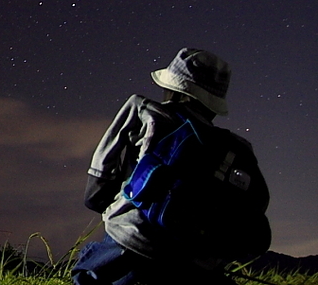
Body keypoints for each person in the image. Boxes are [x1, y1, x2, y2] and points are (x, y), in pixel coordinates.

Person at [72, 48, 271, 285]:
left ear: (174, 90)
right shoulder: (238, 149)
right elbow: (258, 204)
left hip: (132, 249)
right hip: (198, 265)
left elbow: (95, 196)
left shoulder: (144, 111)